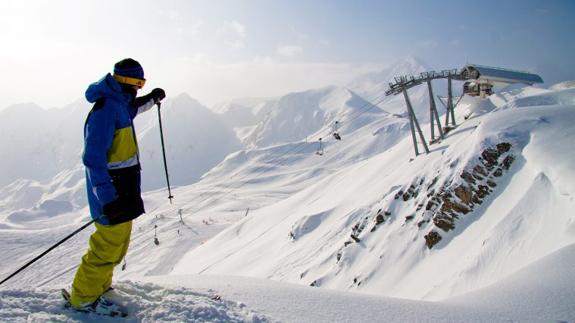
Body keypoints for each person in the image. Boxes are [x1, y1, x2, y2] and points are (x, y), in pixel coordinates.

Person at [68, 58, 165, 314]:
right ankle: (82, 299)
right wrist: (108, 199)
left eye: (143, 83)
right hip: (112, 191)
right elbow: (92, 158)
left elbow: (134, 108)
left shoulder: (120, 104)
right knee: (106, 246)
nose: (140, 88)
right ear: (125, 81)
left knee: (118, 245)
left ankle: (100, 287)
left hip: (125, 188)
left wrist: (153, 99)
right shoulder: (106, 110)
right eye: (138, 83)